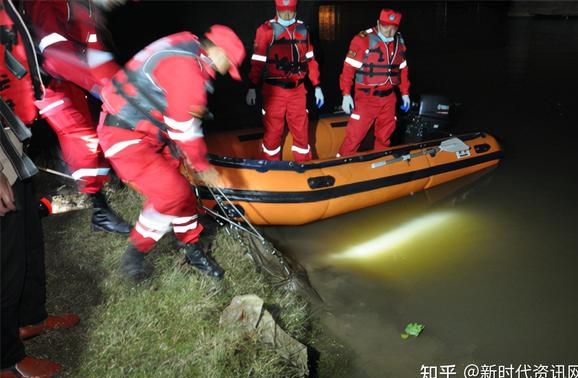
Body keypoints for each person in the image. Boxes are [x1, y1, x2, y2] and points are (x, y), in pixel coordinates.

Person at [97, 25, 245, 281]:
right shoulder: (188, 70)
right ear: (220, 52)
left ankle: (191, 247)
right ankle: (135, 253)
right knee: (172, 193)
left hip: (148, 134)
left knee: (183, 194)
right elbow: (184, 129)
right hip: (125, 137)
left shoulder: (187, 46)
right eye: (228, 64)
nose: (225, 72)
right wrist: (202, 166)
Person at [1, 0, 79, 378]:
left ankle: (30, 318)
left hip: (14, 137)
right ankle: (4, 357)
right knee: (5, 256)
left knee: (29, 236)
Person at [24, 0, 130, 235]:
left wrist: (120, 86)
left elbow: (97, 56)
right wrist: (100, 86)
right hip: (47, 82)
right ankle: (99, 210)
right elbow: (55, 54)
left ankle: (103, 191)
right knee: (80, 137)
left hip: (70, 78)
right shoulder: (48, 3)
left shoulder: (87, 10)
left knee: (95, 132)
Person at [246, 0, 324, 162]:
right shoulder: (265, 30)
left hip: (298, 90)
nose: (287, 15)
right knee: (273, 133)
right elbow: (258, 61)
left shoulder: (303, 29)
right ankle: (271, 168)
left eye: (290, 11)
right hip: (274, 92)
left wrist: (317, 86)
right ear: (277, 9)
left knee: (301, 132)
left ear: (296, 10)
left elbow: (311, 60)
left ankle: (304, 166)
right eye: (283, 11)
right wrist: (252, 86)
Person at [337, 8, 411, 157]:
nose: (389, 31)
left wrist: (405, 93)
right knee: (355, 136)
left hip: (389, 98)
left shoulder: (399, 41)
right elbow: (348, 70)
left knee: (385, 135)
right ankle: (341, 162)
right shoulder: (363, 39)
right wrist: (346, 94)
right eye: (385, 26)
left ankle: (380, 161)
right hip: (366, 98)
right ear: (378, 23)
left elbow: (403, 69)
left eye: (393, 27)